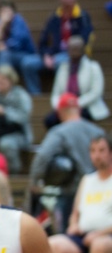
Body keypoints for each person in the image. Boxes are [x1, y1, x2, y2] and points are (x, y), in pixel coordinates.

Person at [48, 135, 112, 253]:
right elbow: (75, 212)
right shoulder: (87, 180)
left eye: (101, 150)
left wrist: (100, 233)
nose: (97, 155)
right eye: (93, 151)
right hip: (83, 235)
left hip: (106, 236)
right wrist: (73, 224)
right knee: (52, 244)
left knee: (100, 245)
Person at [27, 93, 104, 229]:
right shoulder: (98, 131)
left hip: (73, 192)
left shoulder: (59, 132)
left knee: (68, 232)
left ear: (60, 112)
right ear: (78, 110)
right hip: (101, 188)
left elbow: (43, 157)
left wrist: (34, 182)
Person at [45, 34, 108, 130]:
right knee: (50, 120)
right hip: (65, 106)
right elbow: (56, 93)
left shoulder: (93, 67)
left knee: (78, 118)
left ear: (83, 49)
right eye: (71, 48)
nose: (74, 52)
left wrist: (76, 103)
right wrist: (58, 106)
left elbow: (96, 92)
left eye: (76, 48)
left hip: (87, 105)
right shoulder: (63, 67)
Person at [0, 0, 41, 94]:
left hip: (23, 54)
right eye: (3, 11)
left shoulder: (19, 21)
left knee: (3, 53)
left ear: (13, 11)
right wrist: (1, 23)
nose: (6, 14)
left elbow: (15, 45)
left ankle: (4, 82)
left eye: (8, 11)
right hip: (6, 53)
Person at [37, 0, 93, 75]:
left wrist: (59, 57)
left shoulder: (83, 17)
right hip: (54, 54)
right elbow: (43, 41)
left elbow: (84, 40)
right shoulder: (53, 18)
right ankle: (35, 90)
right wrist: (46, 55)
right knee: (29, 64)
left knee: (60, 63)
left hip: (74, 55)